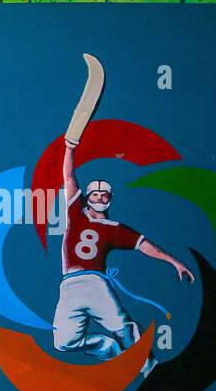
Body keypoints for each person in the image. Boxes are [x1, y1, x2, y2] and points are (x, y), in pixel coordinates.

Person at [56, 139, 193, 375]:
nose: (100, 198)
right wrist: (69, 149)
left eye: (104, 195)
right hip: (69, 286)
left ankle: (152, 371)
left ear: (110, 199)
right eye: (95, 194)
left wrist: (173, 261)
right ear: (87, 197)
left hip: (94, 283)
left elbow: (145, 246)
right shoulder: (75, 215)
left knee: (124, 329)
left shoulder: (115, 228)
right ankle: (112, 350)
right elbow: (68, 177)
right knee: (63, 342)